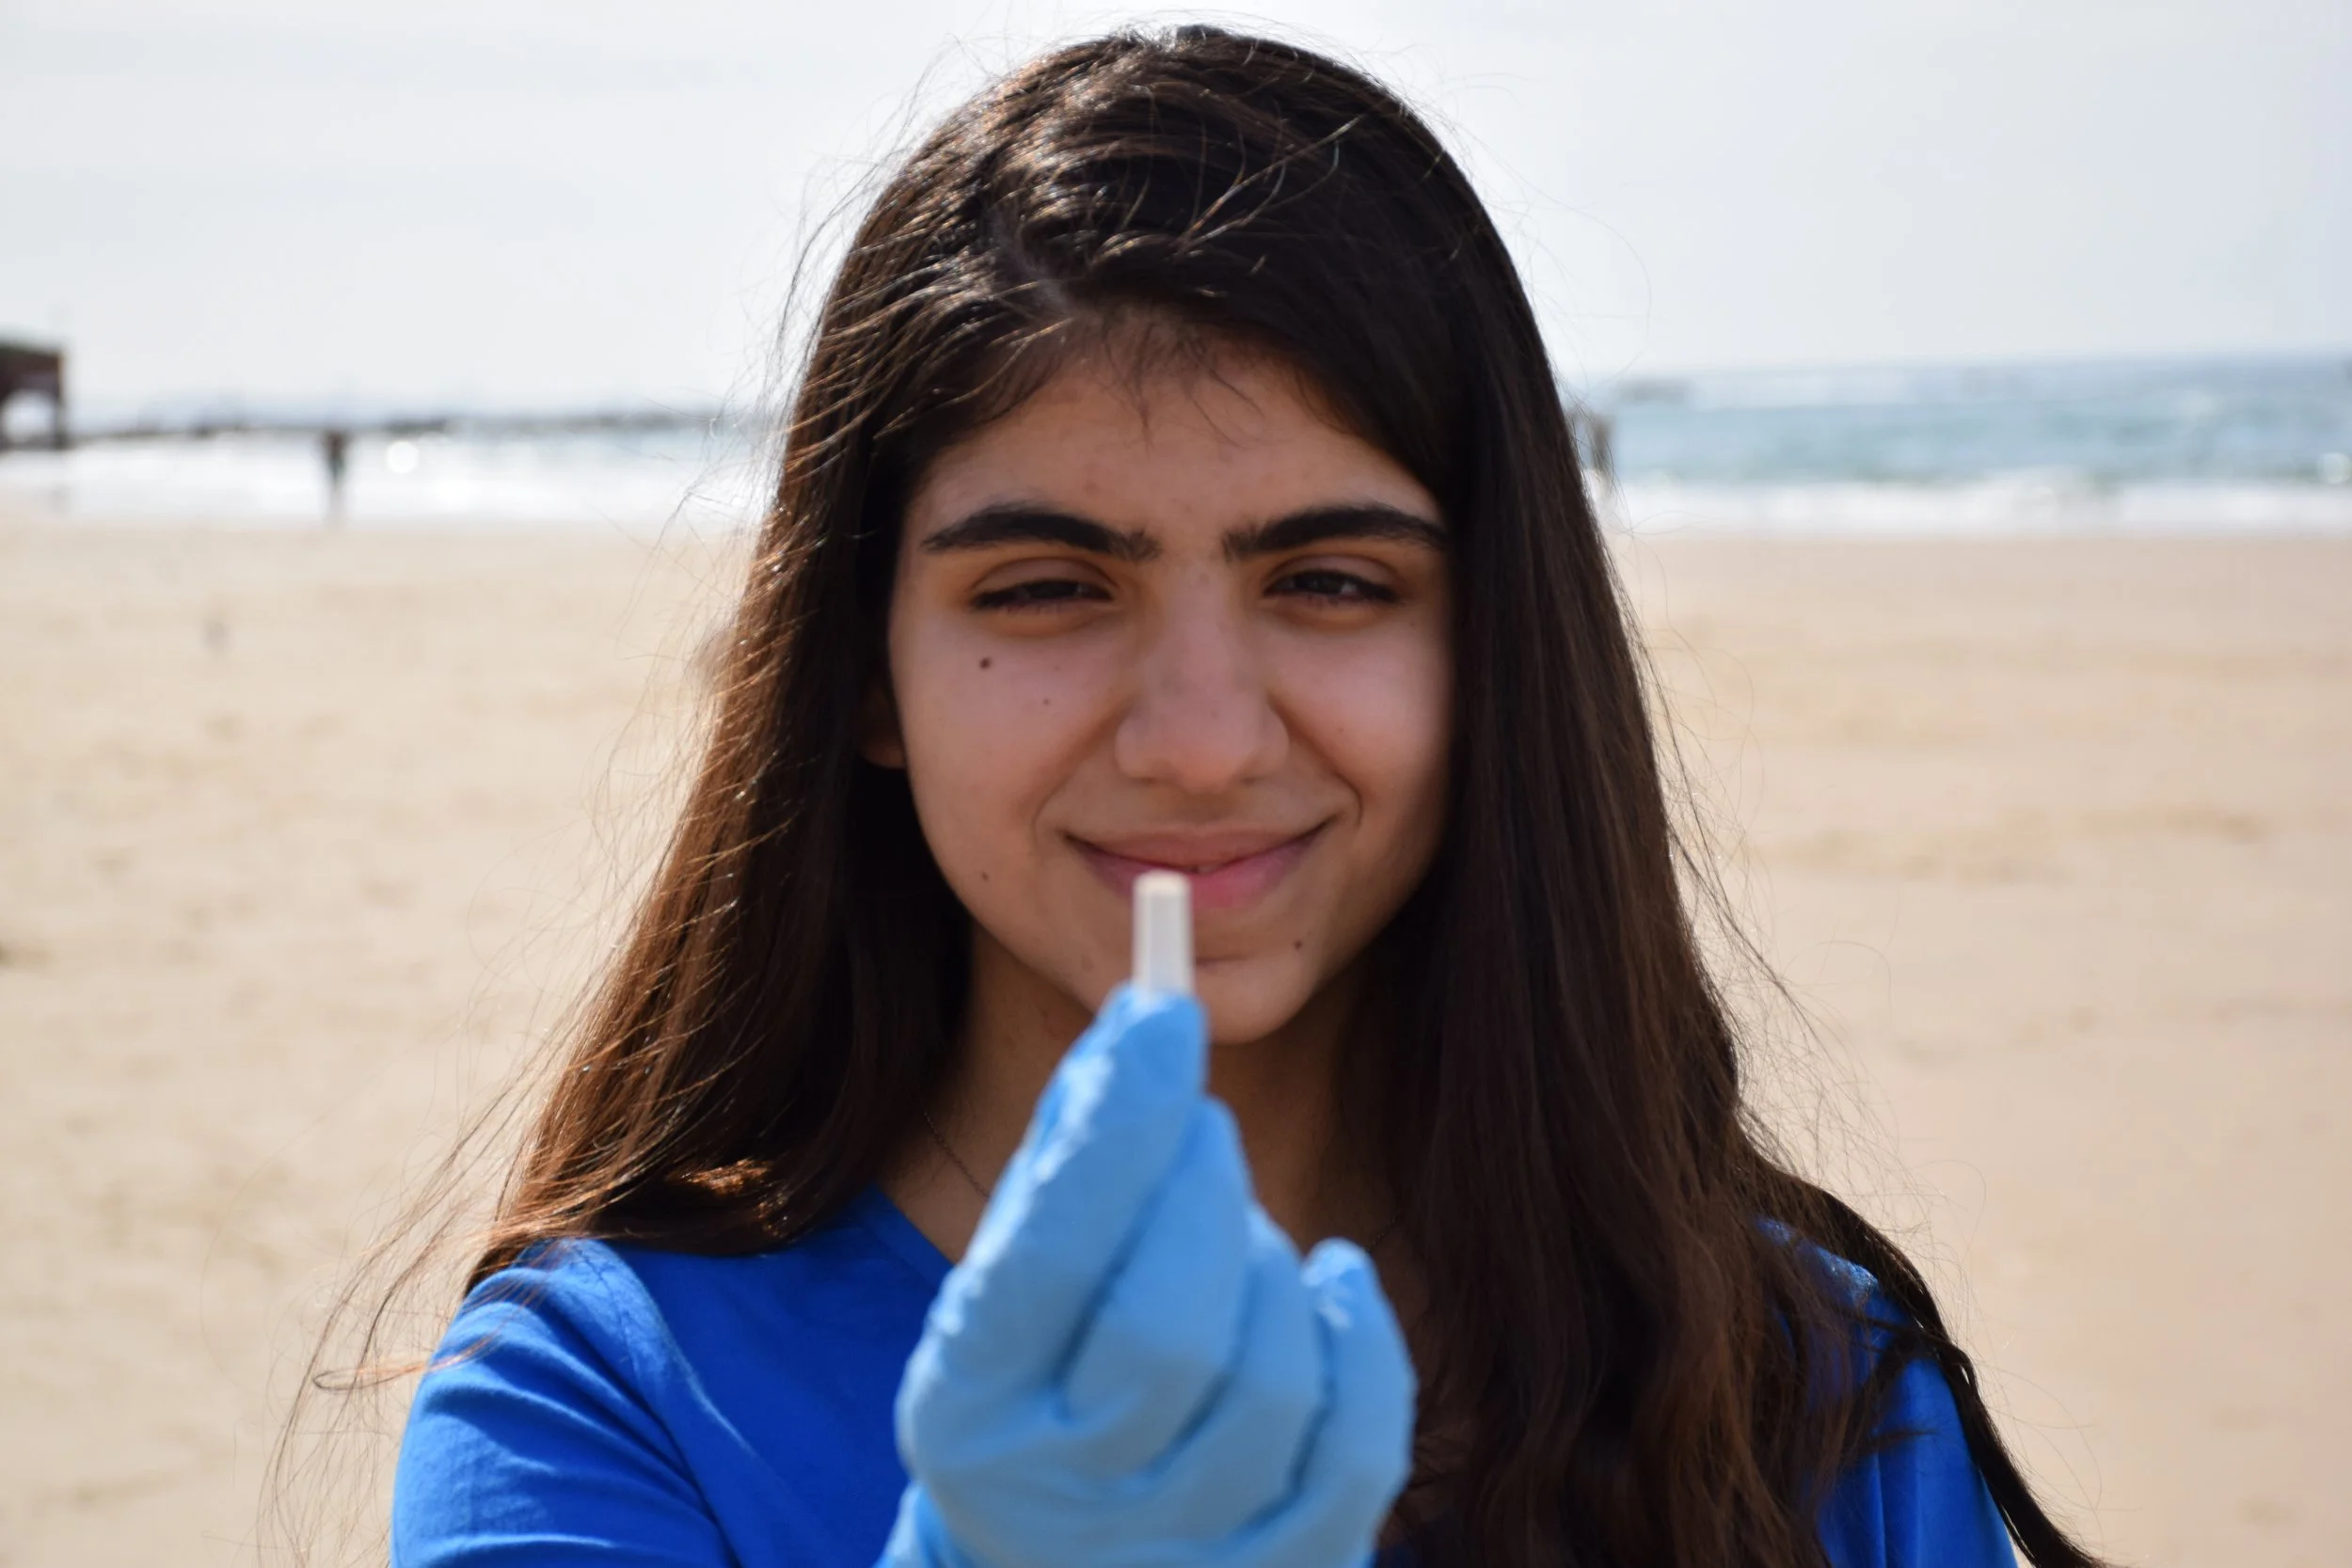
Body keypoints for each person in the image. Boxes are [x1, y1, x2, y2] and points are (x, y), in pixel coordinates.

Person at [388, 26, 2103, 1568]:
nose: (1200, 742)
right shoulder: (599, 1397)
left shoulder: (1800, 1390)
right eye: (1049, 586)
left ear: (1497, 647)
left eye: (1334, 581)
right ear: (863, 676)